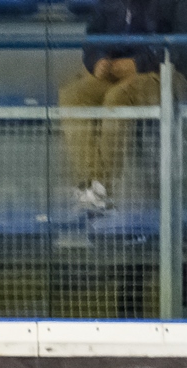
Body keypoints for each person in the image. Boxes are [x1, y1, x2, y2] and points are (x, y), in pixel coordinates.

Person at [59, 0, 187, 211]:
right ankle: (91, 183)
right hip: (115, 71)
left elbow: (181, 47)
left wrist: (139, 64)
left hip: (164, 73)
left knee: (118, 96)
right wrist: (97, 61)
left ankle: (102, 189)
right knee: (74, 95)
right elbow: (93, 39)